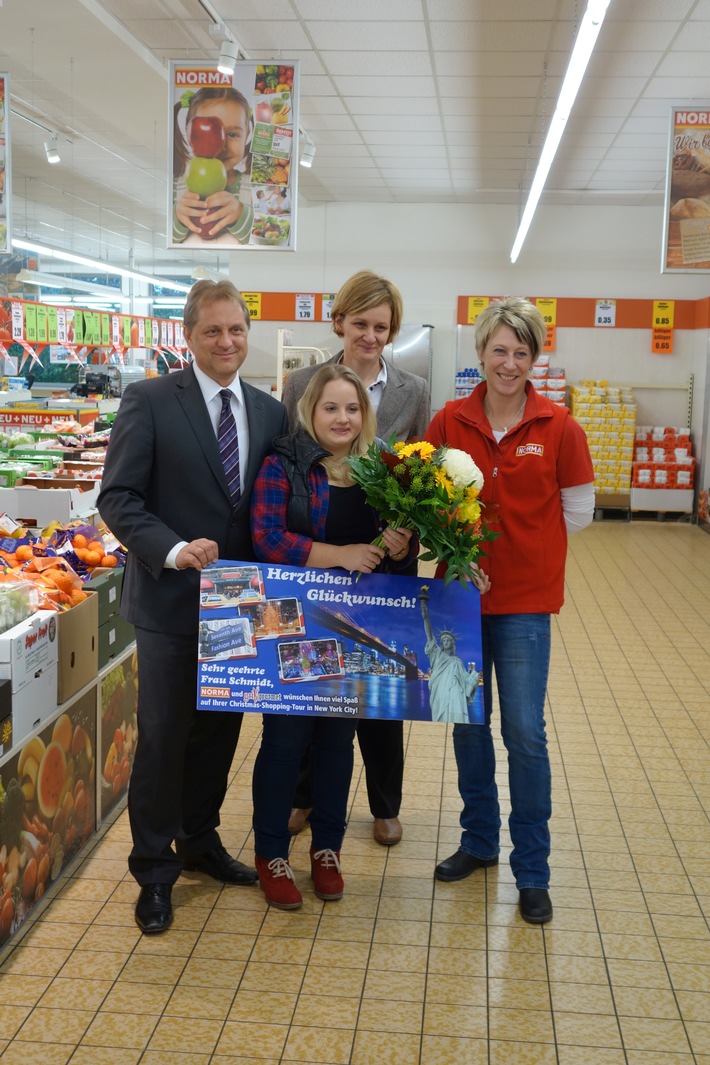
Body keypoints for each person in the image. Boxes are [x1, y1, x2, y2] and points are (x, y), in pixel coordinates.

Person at [97, 279, 288, 934]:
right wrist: (174, 549)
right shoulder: (149, 400)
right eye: (213, 330)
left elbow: (276, 503)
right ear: (189, 335)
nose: (227, 341)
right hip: (174, 601)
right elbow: (118, 498)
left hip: (240, 606)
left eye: (236, 329)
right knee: (163, 737)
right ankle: (153, 869)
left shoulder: (269, 410)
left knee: (218, 733)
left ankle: (200, 841)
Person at [425, 296, 594, 925]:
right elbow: (429, 501)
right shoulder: (449, 422)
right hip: (458, 599)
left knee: (523, 732)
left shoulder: (560, 428)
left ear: (535, 358)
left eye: (522, 352)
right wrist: (454, 549)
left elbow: (577, 510)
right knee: (468, 723)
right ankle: (479, 841)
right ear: (481, 353)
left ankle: (534, 869)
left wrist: (531, 554)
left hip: (524, 604)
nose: (510, 362)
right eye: (500, 349)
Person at [250, 364, 416, 908]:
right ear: (310, 411)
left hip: (353, 629)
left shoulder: (382, 470)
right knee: (284, 741)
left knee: (337, 743)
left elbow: (404, 548)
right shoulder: (284, 464)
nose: (342, 418)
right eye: (330, 408)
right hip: (293, 622)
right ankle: (272, 853)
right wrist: (338, 556)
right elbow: (267, 539)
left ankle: (328, 850)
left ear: (364, 415)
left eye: (352, 409)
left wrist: (398, 543)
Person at [281, 270, 430, 847]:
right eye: (361, 324)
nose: (370, 336)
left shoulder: (412, 392)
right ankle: (305, 795)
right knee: (312, 676)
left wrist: (405, 529)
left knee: (382, 684)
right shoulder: (300, 383)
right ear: (339, 322)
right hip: (322, 554)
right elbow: (292, 460)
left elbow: (420, 472)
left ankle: (385, 803)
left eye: (382, 327)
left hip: (387, 560)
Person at [172, 87, 253, 244]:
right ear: (190, 135)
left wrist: (240, 214)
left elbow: (270, 236)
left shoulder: (257, 190)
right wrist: (177, 217)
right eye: (208, 133)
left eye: (232, 135)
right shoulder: (176, 188)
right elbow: (164, 237)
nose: (220, 145)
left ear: (247, 135)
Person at [419, 589, 481, 724]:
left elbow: (465, 679)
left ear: (452, 644)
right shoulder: (437, 655)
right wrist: (426, 615)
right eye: (444, 640)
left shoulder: (457, 661)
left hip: (456, 693)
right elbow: (429, 634)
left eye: (449, 641)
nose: (446, 642)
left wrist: (474, 678)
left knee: (457, 718)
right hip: (439, 691)